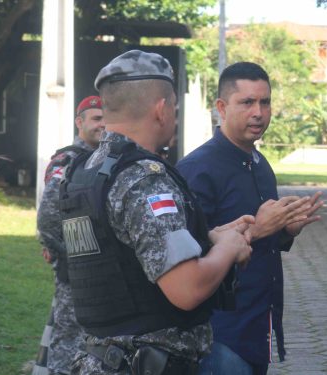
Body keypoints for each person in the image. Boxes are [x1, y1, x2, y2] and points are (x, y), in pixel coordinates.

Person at [60, 50, 253, 374]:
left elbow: (125, 250)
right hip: (146, 362)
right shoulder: (143, 180)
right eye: (175, 109)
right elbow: (186, 288)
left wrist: (208, 239)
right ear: (162, 110)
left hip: (100, 358)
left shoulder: (85, 172)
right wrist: (228, 248)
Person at [177, 62, 323, 374]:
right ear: (222, 107)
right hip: (218, 334)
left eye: (265, 102)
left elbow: (266, 236)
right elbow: (184, 255)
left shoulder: (259, 163)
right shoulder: (197, 169)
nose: (258, 112)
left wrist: (286, 230)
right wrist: (256, 231)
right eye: (247, 102)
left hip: (257, 325)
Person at [36, 96, 104, 375]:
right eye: (96, 118)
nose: (103, 124)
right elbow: (48, 217)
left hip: (103, 269)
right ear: (80, 122)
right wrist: (67, 253)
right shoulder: (69, 160)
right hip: (75, 268)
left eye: (106, 118)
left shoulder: (107, 158)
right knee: (69, 339)